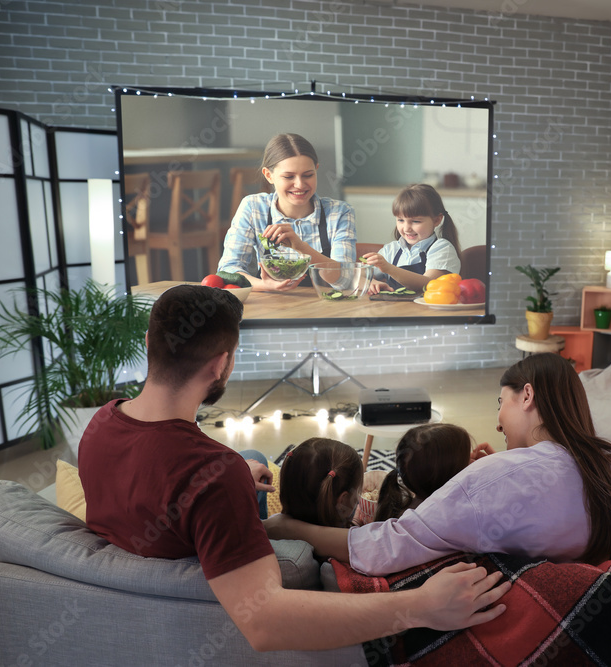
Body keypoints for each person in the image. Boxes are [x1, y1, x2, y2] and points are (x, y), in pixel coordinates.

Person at [77, 284, 509, 652]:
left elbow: (157, 480)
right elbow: (264, 622)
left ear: (149, 345)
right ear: (221, 365)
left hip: (146, 581)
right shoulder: (213, 473)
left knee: (257, 461)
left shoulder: (101, 423)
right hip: (203, 614)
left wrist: (231, 477)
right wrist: (421, 605)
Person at [265, 353, 611, 576]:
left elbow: (388, 545)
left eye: (501, 402)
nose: (498, 423)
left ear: (527, 395)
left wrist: (289, 526)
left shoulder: (495, 478)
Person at [217, 133, 357, 291]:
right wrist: (265, 285)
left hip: (324, 305)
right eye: (289, 177)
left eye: (308, 175)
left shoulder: (340, 212)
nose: (299, 184)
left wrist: (301, 247)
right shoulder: (253, 207)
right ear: (269, 175)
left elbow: (346, 279)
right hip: (270, 305)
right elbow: (228, 271)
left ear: (316, 169)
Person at [364, 183, 462, 294]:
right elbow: (358, 276)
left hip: (429, 311)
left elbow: (428, 284)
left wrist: (388, 268)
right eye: (400, 220)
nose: (406, 228)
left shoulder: (442, 248)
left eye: (416, 221)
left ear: (437, 220)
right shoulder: (390, 250)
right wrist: (370, 282)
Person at [373, 423, 472, 523]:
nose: (472, 461)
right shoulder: (458, 518)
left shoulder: (404, 510)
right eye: (467, 459)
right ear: (450, 476)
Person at [279, 438, 363, 529]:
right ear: (342, 500)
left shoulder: (271, 526)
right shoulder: (349, 541)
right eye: (357, 492)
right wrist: (356, 524)